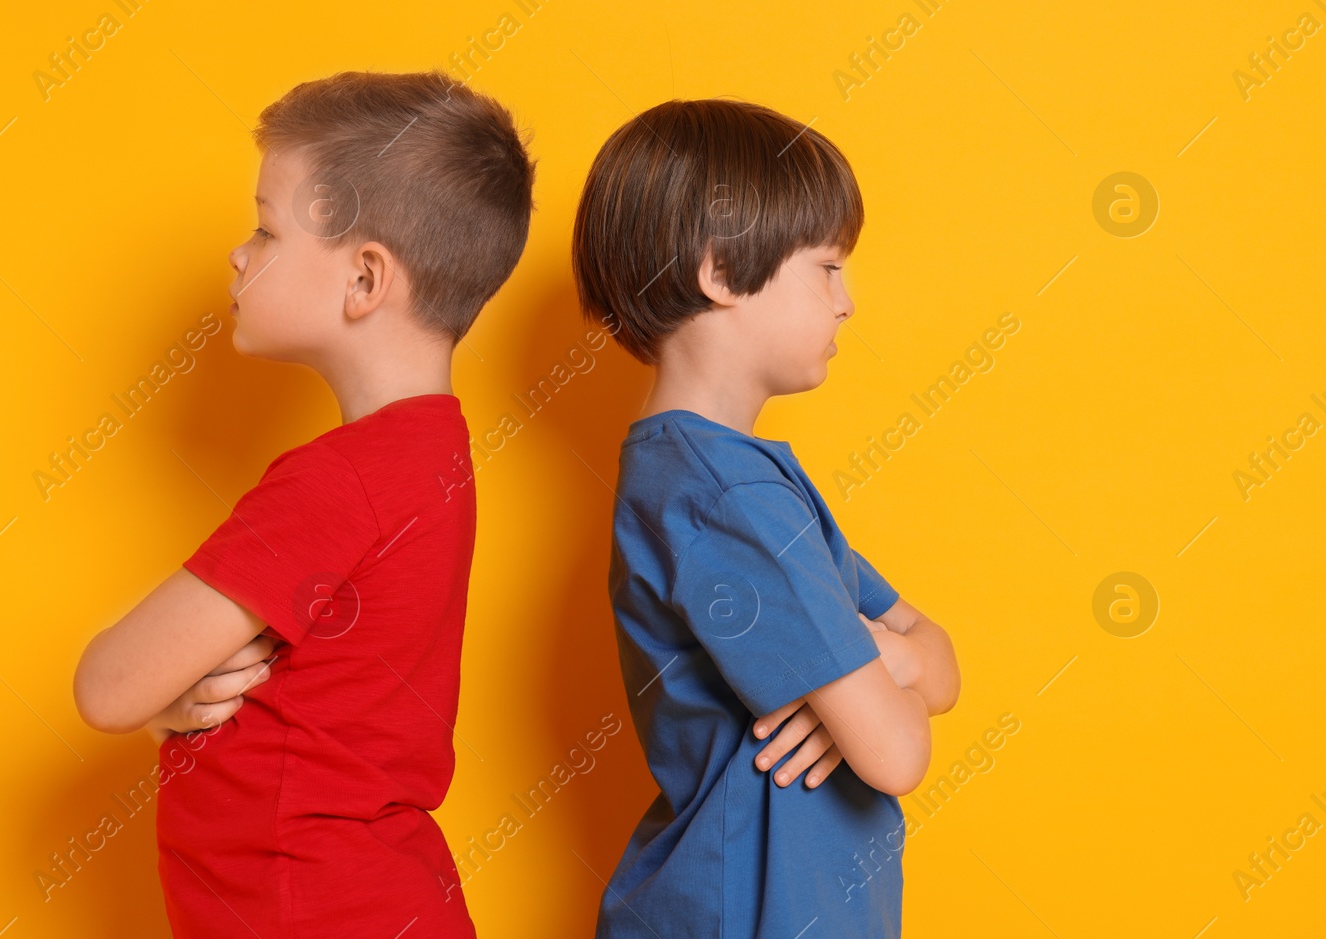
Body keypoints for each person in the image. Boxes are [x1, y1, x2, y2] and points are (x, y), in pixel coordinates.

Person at [73, 70, 536, 937]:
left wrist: (166, 702)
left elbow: (107, 685)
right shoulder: (433, 452)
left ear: (365, 279)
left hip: (307, 907)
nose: (238, 254)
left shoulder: (339, 479)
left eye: (265, 227)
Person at [570, 98, 960, 937]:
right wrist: (874, 679)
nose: (847, 301)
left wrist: (874, 663)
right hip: (745, 913)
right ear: (719, 270)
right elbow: (898, 753)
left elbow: (940, 659)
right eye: (826, 266)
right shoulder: (724, 498)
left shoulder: (738, 476)